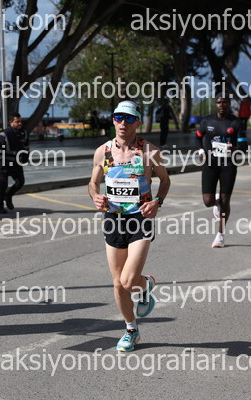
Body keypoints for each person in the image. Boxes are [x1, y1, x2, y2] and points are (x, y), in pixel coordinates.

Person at [88, 100, 170, 352]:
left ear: (137, 122)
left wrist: (157, 201)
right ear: (113, 120)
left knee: (128, 280)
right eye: (118, 117)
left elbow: (165, 180)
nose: (123, 123)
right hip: (113, 219)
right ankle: (131, 330)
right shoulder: (103, 151)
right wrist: (95, 196)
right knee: (118, 284)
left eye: (129, 118)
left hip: (139, 219)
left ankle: (144, 284)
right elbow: (93, 182)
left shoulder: (149, 151)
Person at [196, 94, 248, 248]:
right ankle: (216, 203)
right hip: (210, 164)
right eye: (219, 102)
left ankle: (220, 235)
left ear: (229, 105)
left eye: (225, 102)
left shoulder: (236, 122)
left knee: (226, 200)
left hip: (228, 165)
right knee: (208, 201)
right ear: (215, 104)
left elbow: (244, 146)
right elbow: (198, 137)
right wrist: (201, 151)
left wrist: (235, 148)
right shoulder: (207, 121)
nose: (221, 105)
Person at [0, 113, 29, 214]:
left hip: (16, 164)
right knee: (3, 185)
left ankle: (8, 196)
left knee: (20, 182)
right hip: (4, 164)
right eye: (17, 122)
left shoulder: (23, 133)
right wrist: (2, 167)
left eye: (20, 121)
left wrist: (25, 158)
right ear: (11, 122)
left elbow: (26, 147)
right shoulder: (3, 135)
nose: (20, 123)